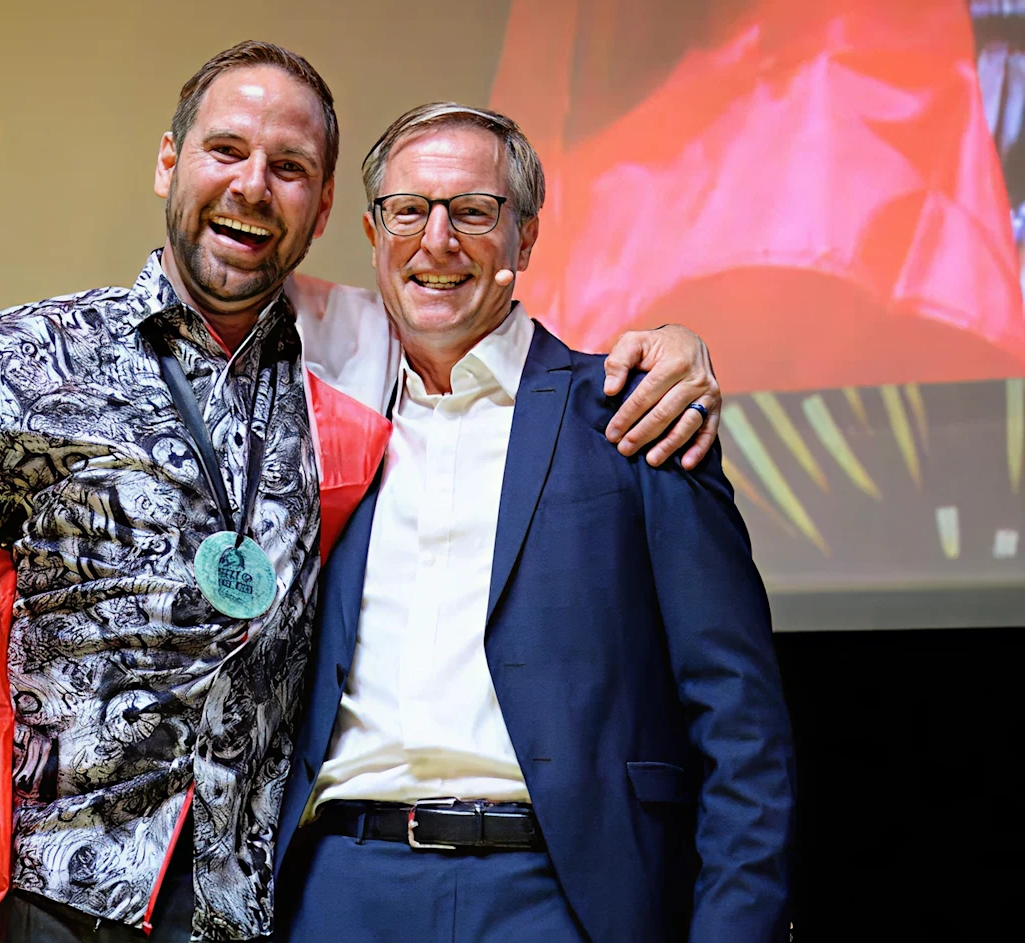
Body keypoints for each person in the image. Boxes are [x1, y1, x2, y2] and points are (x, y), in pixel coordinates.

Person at [0, 43, 722, 943]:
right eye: (224, 150)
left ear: (324, 202)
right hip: (42, 895)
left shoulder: (354, 358)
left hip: (241, 912)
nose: (250, 186)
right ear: (168, 163)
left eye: (287, 167)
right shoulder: (31, 359)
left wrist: (670, 352)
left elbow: (481, 328)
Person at [271, 103, 794, 943]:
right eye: (409, 210)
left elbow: (739, 722)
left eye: (473, 212)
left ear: (524, 237)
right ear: (372, 231)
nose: (436, 241)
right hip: (341, 887)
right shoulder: (318, 415)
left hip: (556, 894)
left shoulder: (633, 414)